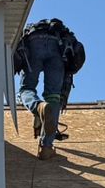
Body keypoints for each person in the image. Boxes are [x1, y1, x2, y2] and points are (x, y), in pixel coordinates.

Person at [13, 18, 86, 158]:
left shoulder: (33, 29)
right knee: (53, 96)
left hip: (33, 42)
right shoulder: (62, 34)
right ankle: (46, 147)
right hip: (58, 46)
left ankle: (38, 106)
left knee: (26, 89)